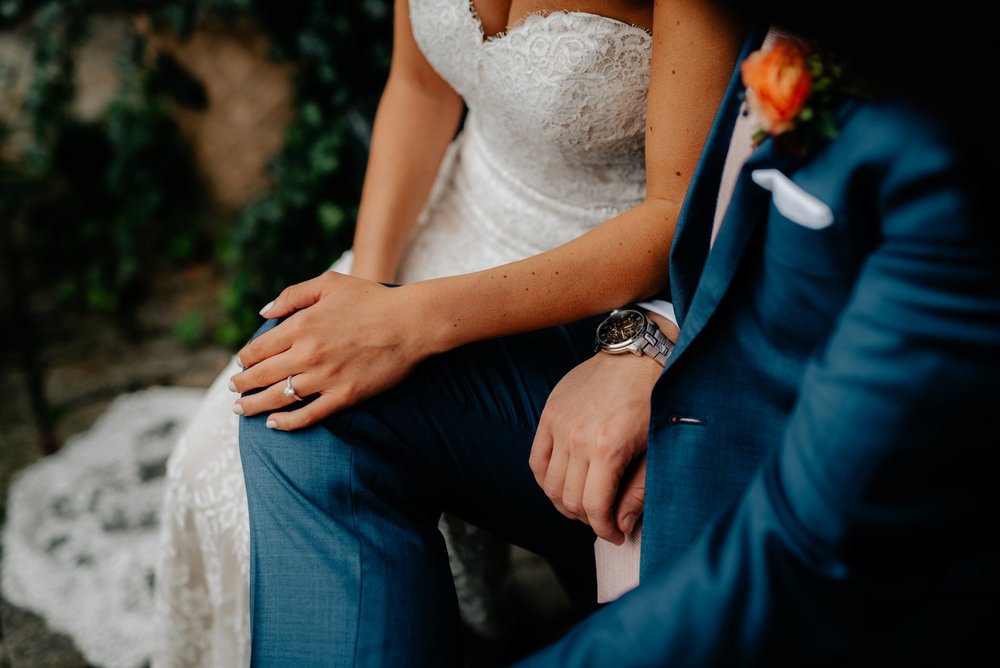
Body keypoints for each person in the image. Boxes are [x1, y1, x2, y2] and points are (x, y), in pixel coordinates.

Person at [236, 0, 1000, 664]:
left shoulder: (935, 175)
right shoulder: (801, 49)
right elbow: (725, 219)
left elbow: (799, 549)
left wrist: (651, 348)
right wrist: (649, 333)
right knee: (301, 407)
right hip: (589, 307)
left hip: (738, 473)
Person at [153, 0, 745, 665]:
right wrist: (366, 297)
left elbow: (678, 213)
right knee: (215, 464)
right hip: (455, 212)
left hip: (595, 283)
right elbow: (418, 88)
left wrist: (412, 322)